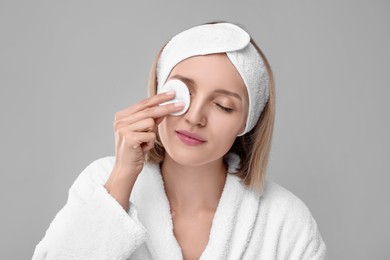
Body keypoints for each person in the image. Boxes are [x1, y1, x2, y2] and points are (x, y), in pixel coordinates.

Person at [32, 21, 326, 260]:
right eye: (183, 92)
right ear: (159, 91)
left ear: (246, 123)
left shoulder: (285, 220)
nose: (195, 117)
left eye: (223, 105)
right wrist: (122, 178)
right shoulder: (103, 183)